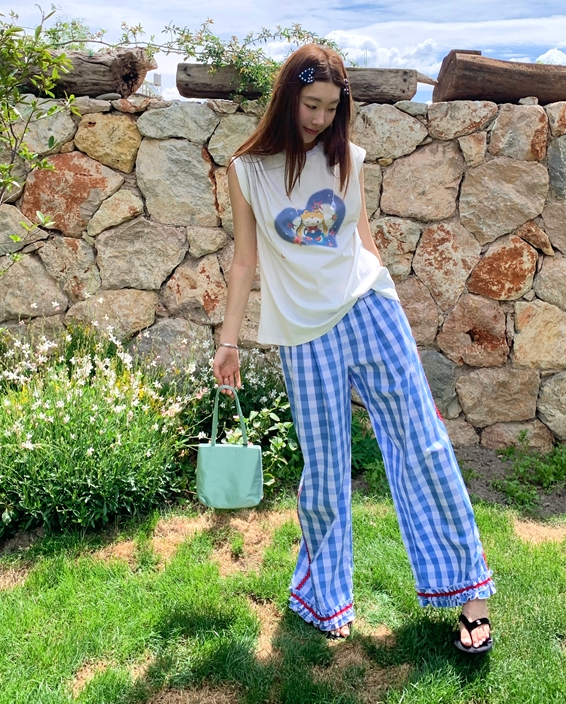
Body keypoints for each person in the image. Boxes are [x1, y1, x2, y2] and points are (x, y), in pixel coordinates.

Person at [212, 44, 494, 653]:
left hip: (369, 309)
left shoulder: (348, 158)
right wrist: (229, 341)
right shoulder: (248, 171)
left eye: (330, 108)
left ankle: (470, 590)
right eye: (310, 105)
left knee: (421, 440)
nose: (319, 119)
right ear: (288, 98)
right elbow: (244, 262)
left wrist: (389, 301)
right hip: (302, 334)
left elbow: (364, 243)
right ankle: (326, 596)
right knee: (325, 467)